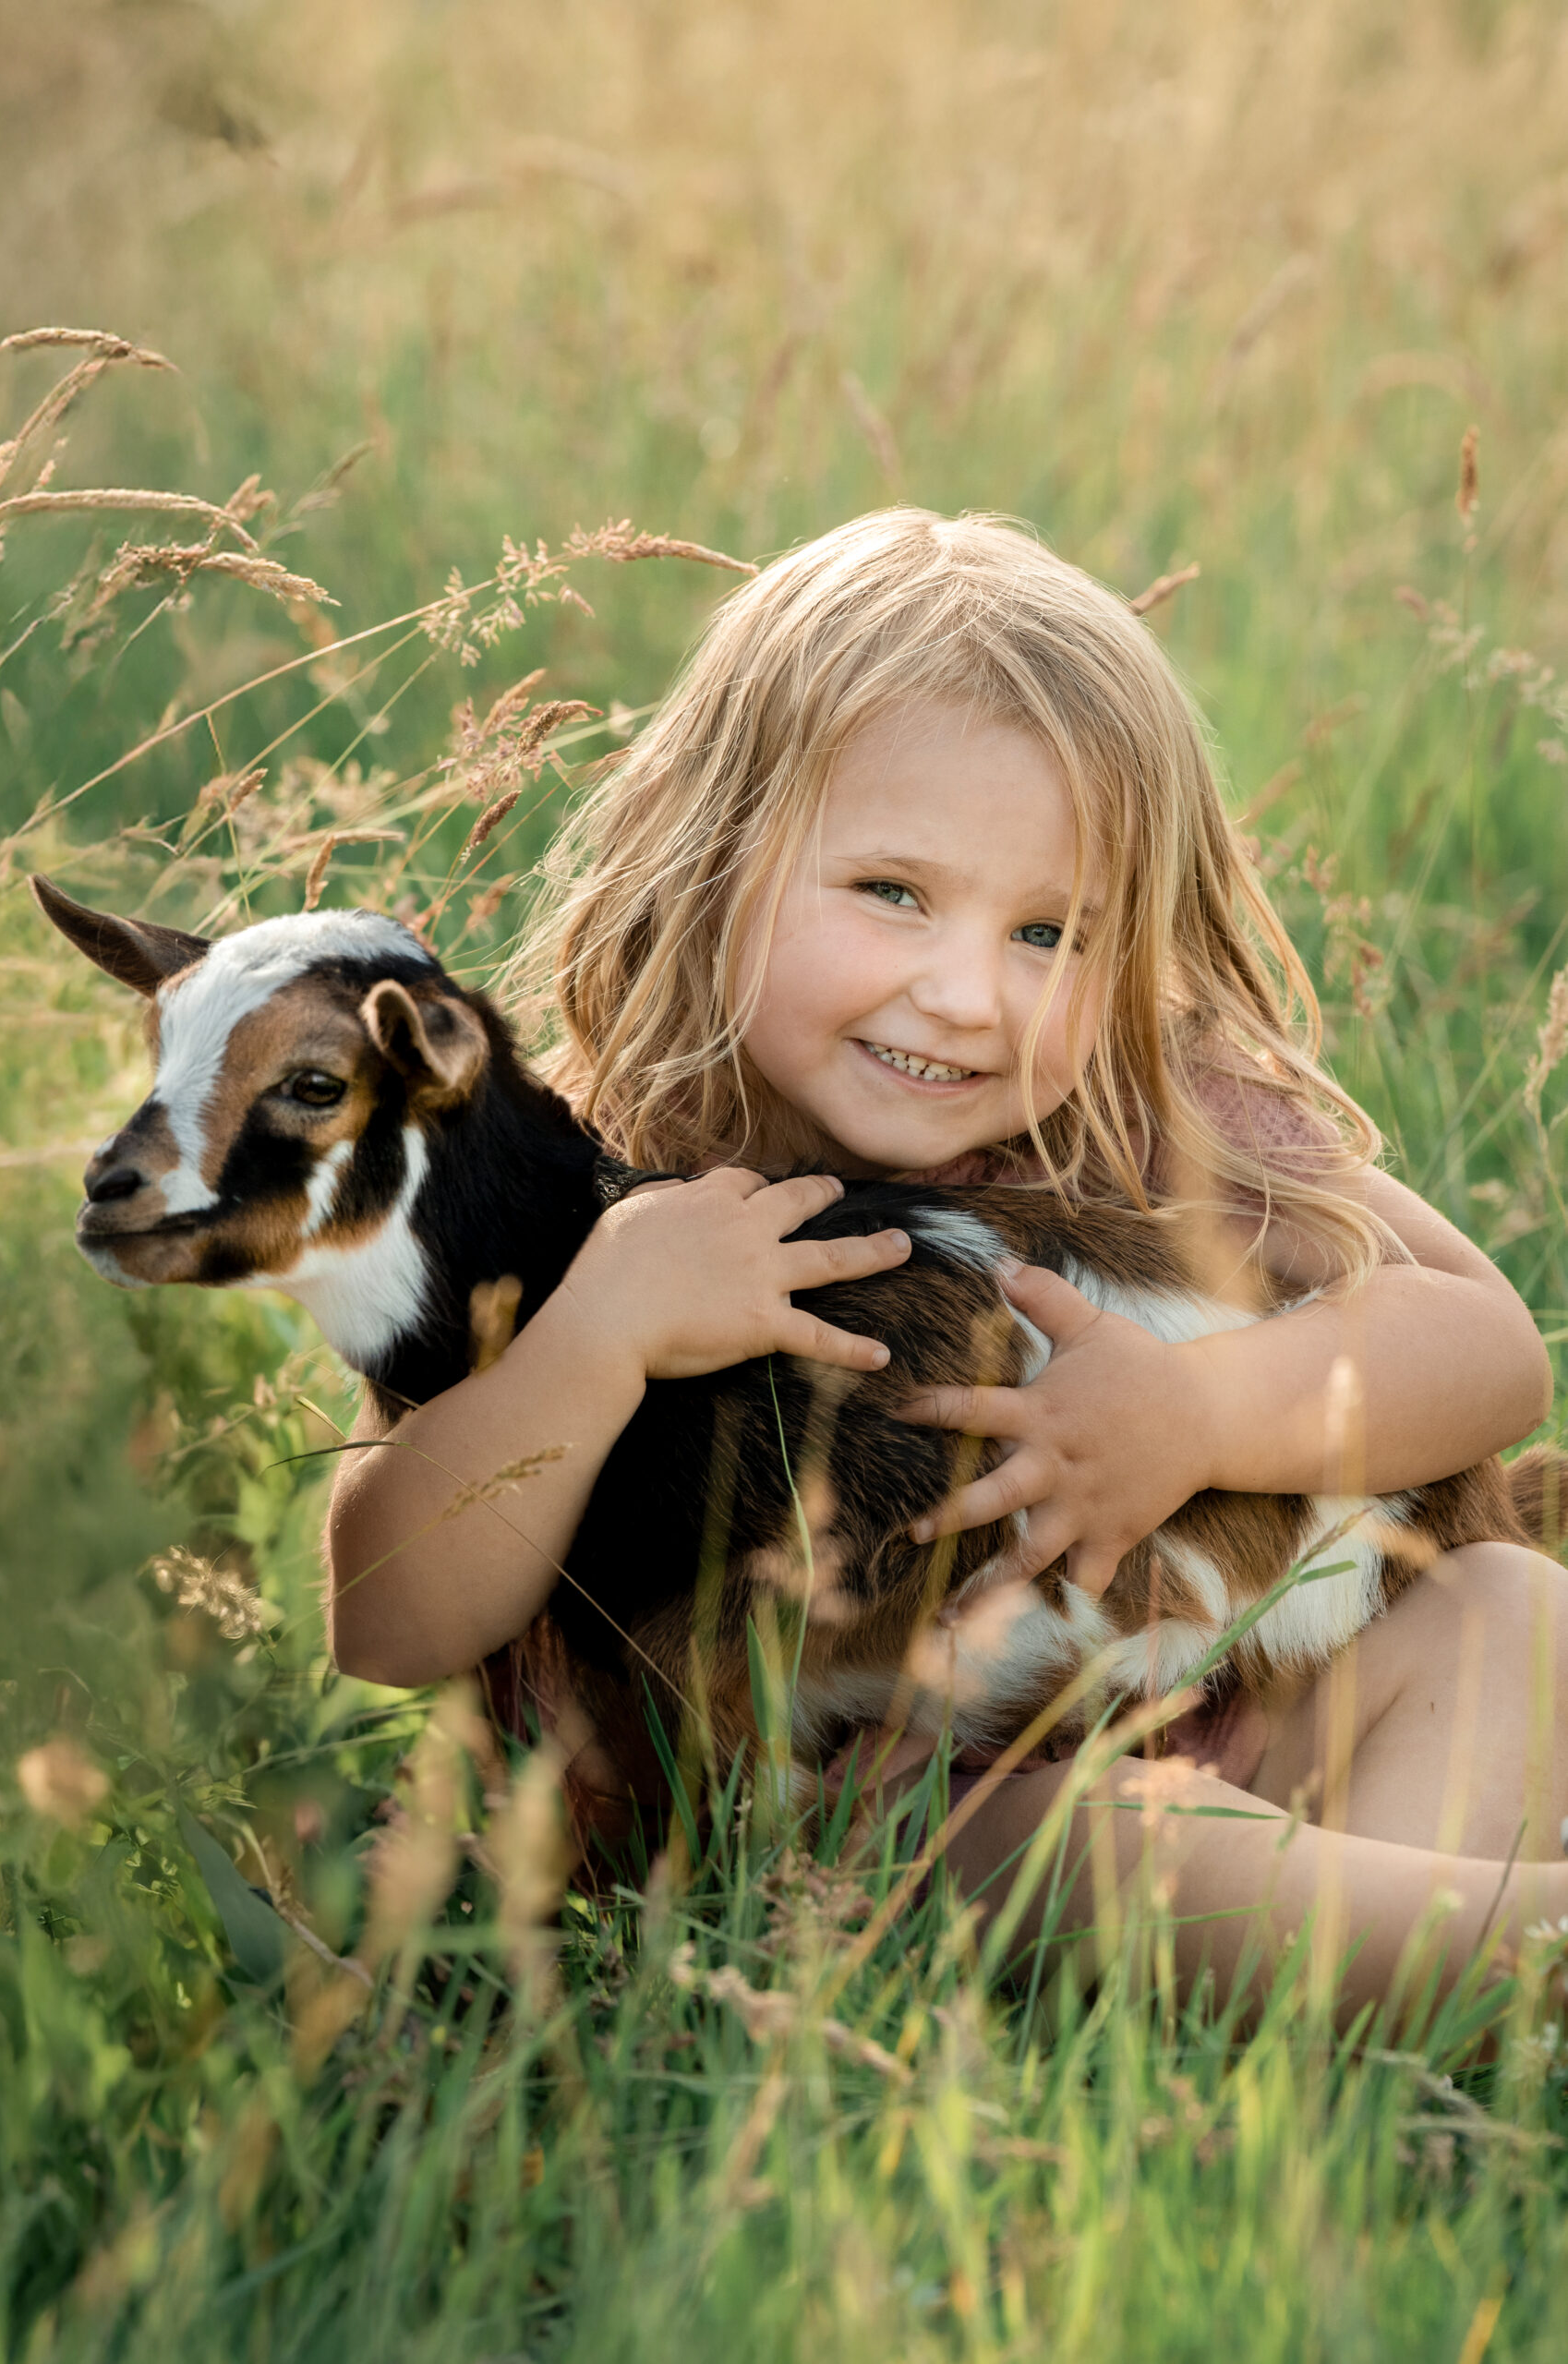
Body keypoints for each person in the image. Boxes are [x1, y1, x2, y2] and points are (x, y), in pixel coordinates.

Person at [328, 509, 1568, 2022]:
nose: (971, 996)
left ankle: (1405, 1995)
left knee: (1509, 1602)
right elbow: (392, 1617)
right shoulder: (574, 1180)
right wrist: (599, 1337)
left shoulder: (1140, 1099)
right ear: (714, 857)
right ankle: (1482, 1959)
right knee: (1100, 1852)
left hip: (1226, 1720)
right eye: (894, 894)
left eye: (1051, 933)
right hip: (892, 1829)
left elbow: (1487, 1349)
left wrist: (1198, 1414)